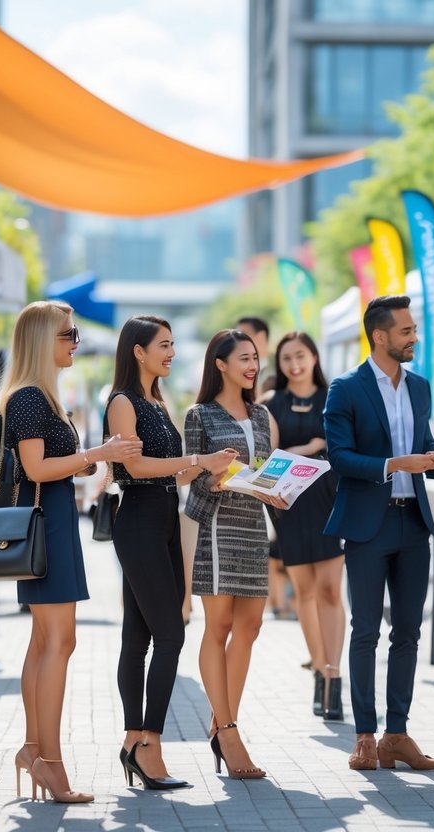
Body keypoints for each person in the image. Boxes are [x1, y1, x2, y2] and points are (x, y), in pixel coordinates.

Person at [0, 301, 143, 803]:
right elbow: (36, 468)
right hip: (48, 526)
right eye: (69, 334)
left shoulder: (39, 395)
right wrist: (98, 454)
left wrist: (85, 463)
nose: (76, 341)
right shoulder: (30, 397)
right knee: (58, 643)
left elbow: (48, 464)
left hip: (52, 521)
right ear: (43, 340)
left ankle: (34, 751)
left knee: (46, 642)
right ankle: (50, 763)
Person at [323, 295, 434, 772]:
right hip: (368, 524)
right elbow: (339, 457)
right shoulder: (346, 388)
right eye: (406, 331)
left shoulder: (420, 387)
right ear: (380, 336)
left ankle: (397, 735)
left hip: (413, 523)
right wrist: (393, 464)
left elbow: (423, 449)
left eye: (414, 330)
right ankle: (365, 736)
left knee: (408, 632)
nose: (414, 338)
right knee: (365, 630)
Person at [106, 316, 238, 790]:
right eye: (163, 345)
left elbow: (171, 473)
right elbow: (135, 466)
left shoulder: (158, 403)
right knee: (170, 635)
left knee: (139, 636)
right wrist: (197, 459)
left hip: (164, 518)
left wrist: (209, 469)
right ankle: (149, 744)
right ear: (138, 351)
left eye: (173, 344)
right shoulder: (123, 402)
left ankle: (132, 741)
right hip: (139, 520)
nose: (172, 353)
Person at [184, 328, 285, 779]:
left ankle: (221, 723)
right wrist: (215, 474)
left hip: (253, 526)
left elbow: (267, 471)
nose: (252, 366)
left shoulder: (262, 414)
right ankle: (228, 732)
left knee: (250, 627)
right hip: (218, 527)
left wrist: (279, 491)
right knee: (219, 626)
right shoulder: (200, 414)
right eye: (243, 358)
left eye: (255, 358)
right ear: (220, 364)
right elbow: (190, 477)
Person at [267, 332, 347, 721]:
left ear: (314, 356)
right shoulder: (270, 403)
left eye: (300, 356)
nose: (294, 364)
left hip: (330, 501)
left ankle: (334, 674)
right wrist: (309, 449)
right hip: (290, 504)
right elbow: (269, 459)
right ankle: (318, 668)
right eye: (286, 358)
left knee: (330, 590)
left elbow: (344, 448)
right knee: (304, 592)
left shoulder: (336, 397)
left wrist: (317, 449)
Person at [238, 316, 294, 620]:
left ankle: (282, 602)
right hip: (240, 501)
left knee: (279, 550)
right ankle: (279, 602)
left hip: (270, 485)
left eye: (245, 335)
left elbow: (268, 451)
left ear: (262, 337)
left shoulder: (273, 382)